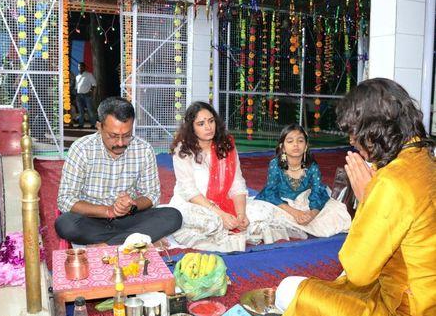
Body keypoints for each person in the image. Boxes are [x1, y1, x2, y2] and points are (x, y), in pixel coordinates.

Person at [275, 78, 436, 316]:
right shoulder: (425, 160)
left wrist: (366, 198)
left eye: (354, 132)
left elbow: (358, 271)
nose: (352, 141)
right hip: (417, 301)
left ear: (373, 129)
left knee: (288, 290)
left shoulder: (392, 182)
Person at [168, 101, 306, 252]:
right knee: (211, 223)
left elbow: (237, 183)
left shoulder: (226, 145)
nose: (208, 127)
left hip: (226, 200)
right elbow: (188, 190)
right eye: (201, 124)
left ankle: (234, 220)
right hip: (196, 204)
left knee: (264, 214)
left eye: (211, 121)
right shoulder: (183, 150)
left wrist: (241, 213)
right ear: (191, 128)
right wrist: (221, 214)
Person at [55, 96, 182, 245]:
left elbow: (152, 195)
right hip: (92, 219)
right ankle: (134, 239)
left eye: (127, 135)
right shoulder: (81, 149)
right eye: (113, 136)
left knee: (173, 216)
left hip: (129, 218)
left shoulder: (143, 149)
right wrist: (108, 211)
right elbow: (65, 200)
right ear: (99, 126)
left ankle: (108, 245)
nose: (121, 143)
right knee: (66, 224)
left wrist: (132, 206)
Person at [255, 124, 351, 237]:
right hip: (281, 204)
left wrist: (312, 215)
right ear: (282, 147)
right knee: (260, 214)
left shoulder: (312, 166)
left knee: (336, 212)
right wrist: (295, 213)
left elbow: (317, 193)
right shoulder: (275, 165)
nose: (295, 145)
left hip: (305, 202)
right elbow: (270, 193)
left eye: (300, 141)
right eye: (290, 141)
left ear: (305, 146)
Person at [75, 62, 97, 129]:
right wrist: (76, 94)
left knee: (90, 110)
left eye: (81, 66)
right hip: (79, 95)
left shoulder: (89, 75)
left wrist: (91, 92)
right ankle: (81, 124)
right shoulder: (77, 76)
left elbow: (94, 84)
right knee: (80, 111)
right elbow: (76, 87)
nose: (80, 68)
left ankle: (93, 124)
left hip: (87, 95)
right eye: (78, 66)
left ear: (84, 67)